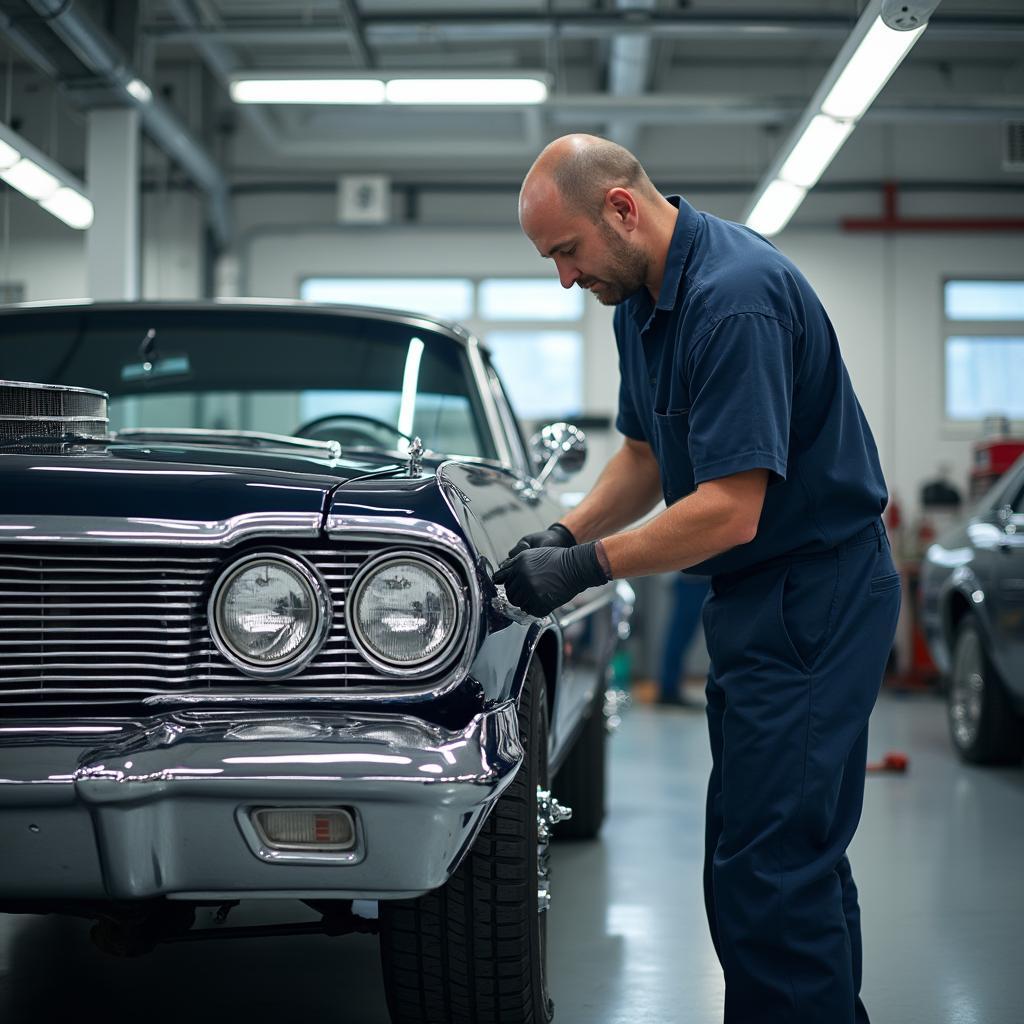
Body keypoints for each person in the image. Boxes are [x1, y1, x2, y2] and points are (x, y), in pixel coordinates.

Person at [493, 134, 900, 1024]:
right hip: (760, 597)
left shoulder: (734, 302)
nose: (564, 277)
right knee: (784, 849)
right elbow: (643, 453)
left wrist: (581, 567)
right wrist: (564, 526)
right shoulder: (638, 303)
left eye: (567, 251)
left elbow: (729, 510)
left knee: (769, 866)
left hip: (815, 593)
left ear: (622, 209)